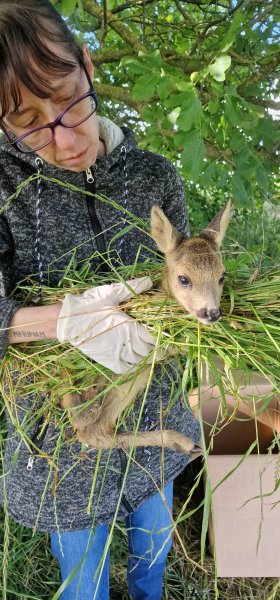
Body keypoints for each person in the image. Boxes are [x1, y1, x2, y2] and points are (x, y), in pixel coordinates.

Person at [0, 1, 201, 598]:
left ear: (87, 66)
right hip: (62, 447)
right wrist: (64, 322)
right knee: (84, 583)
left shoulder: (154, 178)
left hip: (153, 421)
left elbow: (183, 287)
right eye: (28, 121)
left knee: (152, 563)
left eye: (67, 99)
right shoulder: (5, 189)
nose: (61, 139)